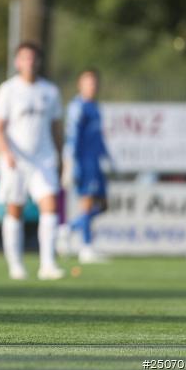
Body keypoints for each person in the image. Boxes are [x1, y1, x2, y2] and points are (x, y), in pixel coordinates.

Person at [0, 42, 65, 281]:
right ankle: (16, 264)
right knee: (15, 209)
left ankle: (48, 264)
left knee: (50, 204)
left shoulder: (50, 91)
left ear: (38, 61)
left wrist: (59, 156)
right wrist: (7, 153)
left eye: (32, 58)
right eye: (24, 58)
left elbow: (55, 127)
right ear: (17, 62)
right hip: (16, 161)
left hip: (43, 159)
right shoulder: (8, 90)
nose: (29, 63)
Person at [62, 69, 113, 264]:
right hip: (83, 161)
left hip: (96, 161)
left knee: (104, 205)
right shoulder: (77, 107)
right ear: (80, 85)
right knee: (87, 203)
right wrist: (69, 163)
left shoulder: (95, 107)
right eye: (88, 82)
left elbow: (98, 137)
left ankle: (68, 229)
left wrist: (108, 158)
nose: (92, 86)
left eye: (94, 83)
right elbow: (72, 136)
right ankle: (86, 248)